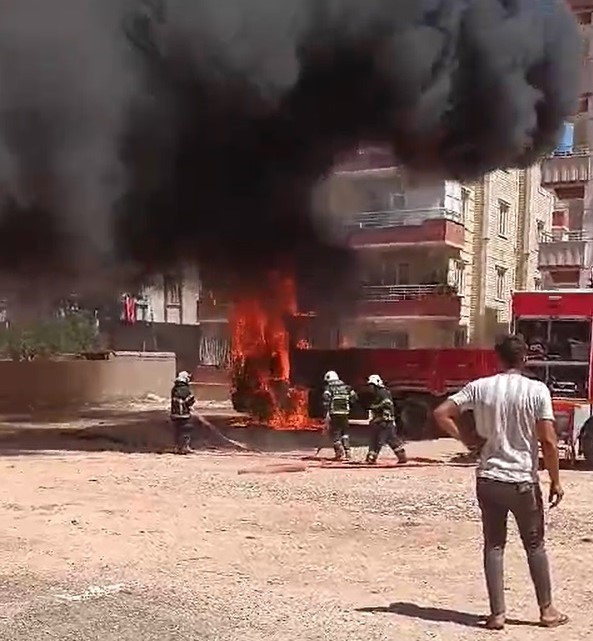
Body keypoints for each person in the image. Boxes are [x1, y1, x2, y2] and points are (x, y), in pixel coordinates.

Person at [433, 334, 567, 630]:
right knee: (535, 545)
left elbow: (442, 413)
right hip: (522, 481)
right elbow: (548, 440)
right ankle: (547, 611)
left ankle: (497, 614)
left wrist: (468, 440)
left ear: (499, 358)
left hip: (490, 479)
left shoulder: (480, 388)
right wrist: (555, 480)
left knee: (494, 546)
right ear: (524, 359)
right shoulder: (537, 391)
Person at [365, 374, 407, 465]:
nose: (370, 388)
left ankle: (372, 457)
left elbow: (387, 404)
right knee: (391, 439)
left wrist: (375, 408)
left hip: (384, 421)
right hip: (384, 421)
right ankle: (402, 456)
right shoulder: (379, 393)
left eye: (371, 386)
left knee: (377, 439)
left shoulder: (382, 393)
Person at [322, 370, 357, 461]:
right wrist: (348, 404)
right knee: (345, 433)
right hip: (345, 413)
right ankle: (348, 452)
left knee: (335, 433)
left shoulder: (329, 387)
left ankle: (339, 453)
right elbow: (354, 398)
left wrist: (326, 410)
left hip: (334, 413)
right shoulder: (347, 387)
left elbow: (326, 398)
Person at [170, 370, 196, 455]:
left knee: (177, 431)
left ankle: (177, 447)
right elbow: (190, 400)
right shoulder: (185, 389)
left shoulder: (174, 389)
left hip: (174, 414)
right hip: (183, 415)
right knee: (185, 431)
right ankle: (185, 447)